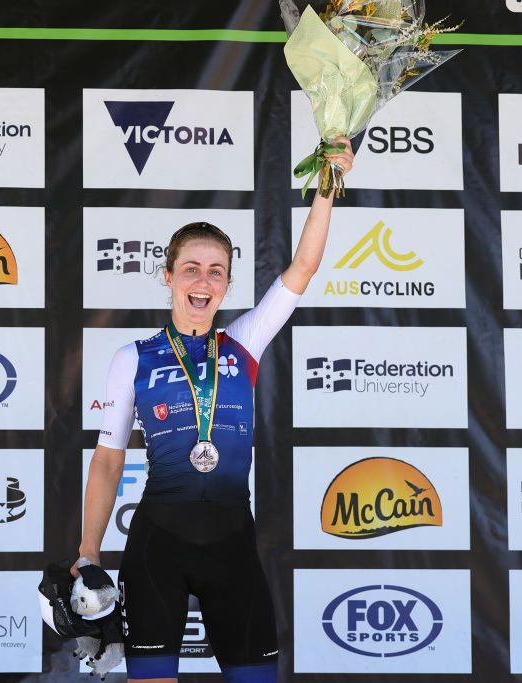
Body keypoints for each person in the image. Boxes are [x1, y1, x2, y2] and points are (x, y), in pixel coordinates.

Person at [75, 138, 355, 682]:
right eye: (191, 268)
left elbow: (304, 266)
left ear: (227, 281)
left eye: (216, 271)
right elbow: (108, 459)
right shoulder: (133, 357)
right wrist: (88, 550)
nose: (203, 281)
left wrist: (329, 183)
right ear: (169, 274)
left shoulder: (244, 342)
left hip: (232, 543)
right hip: (157, 545)